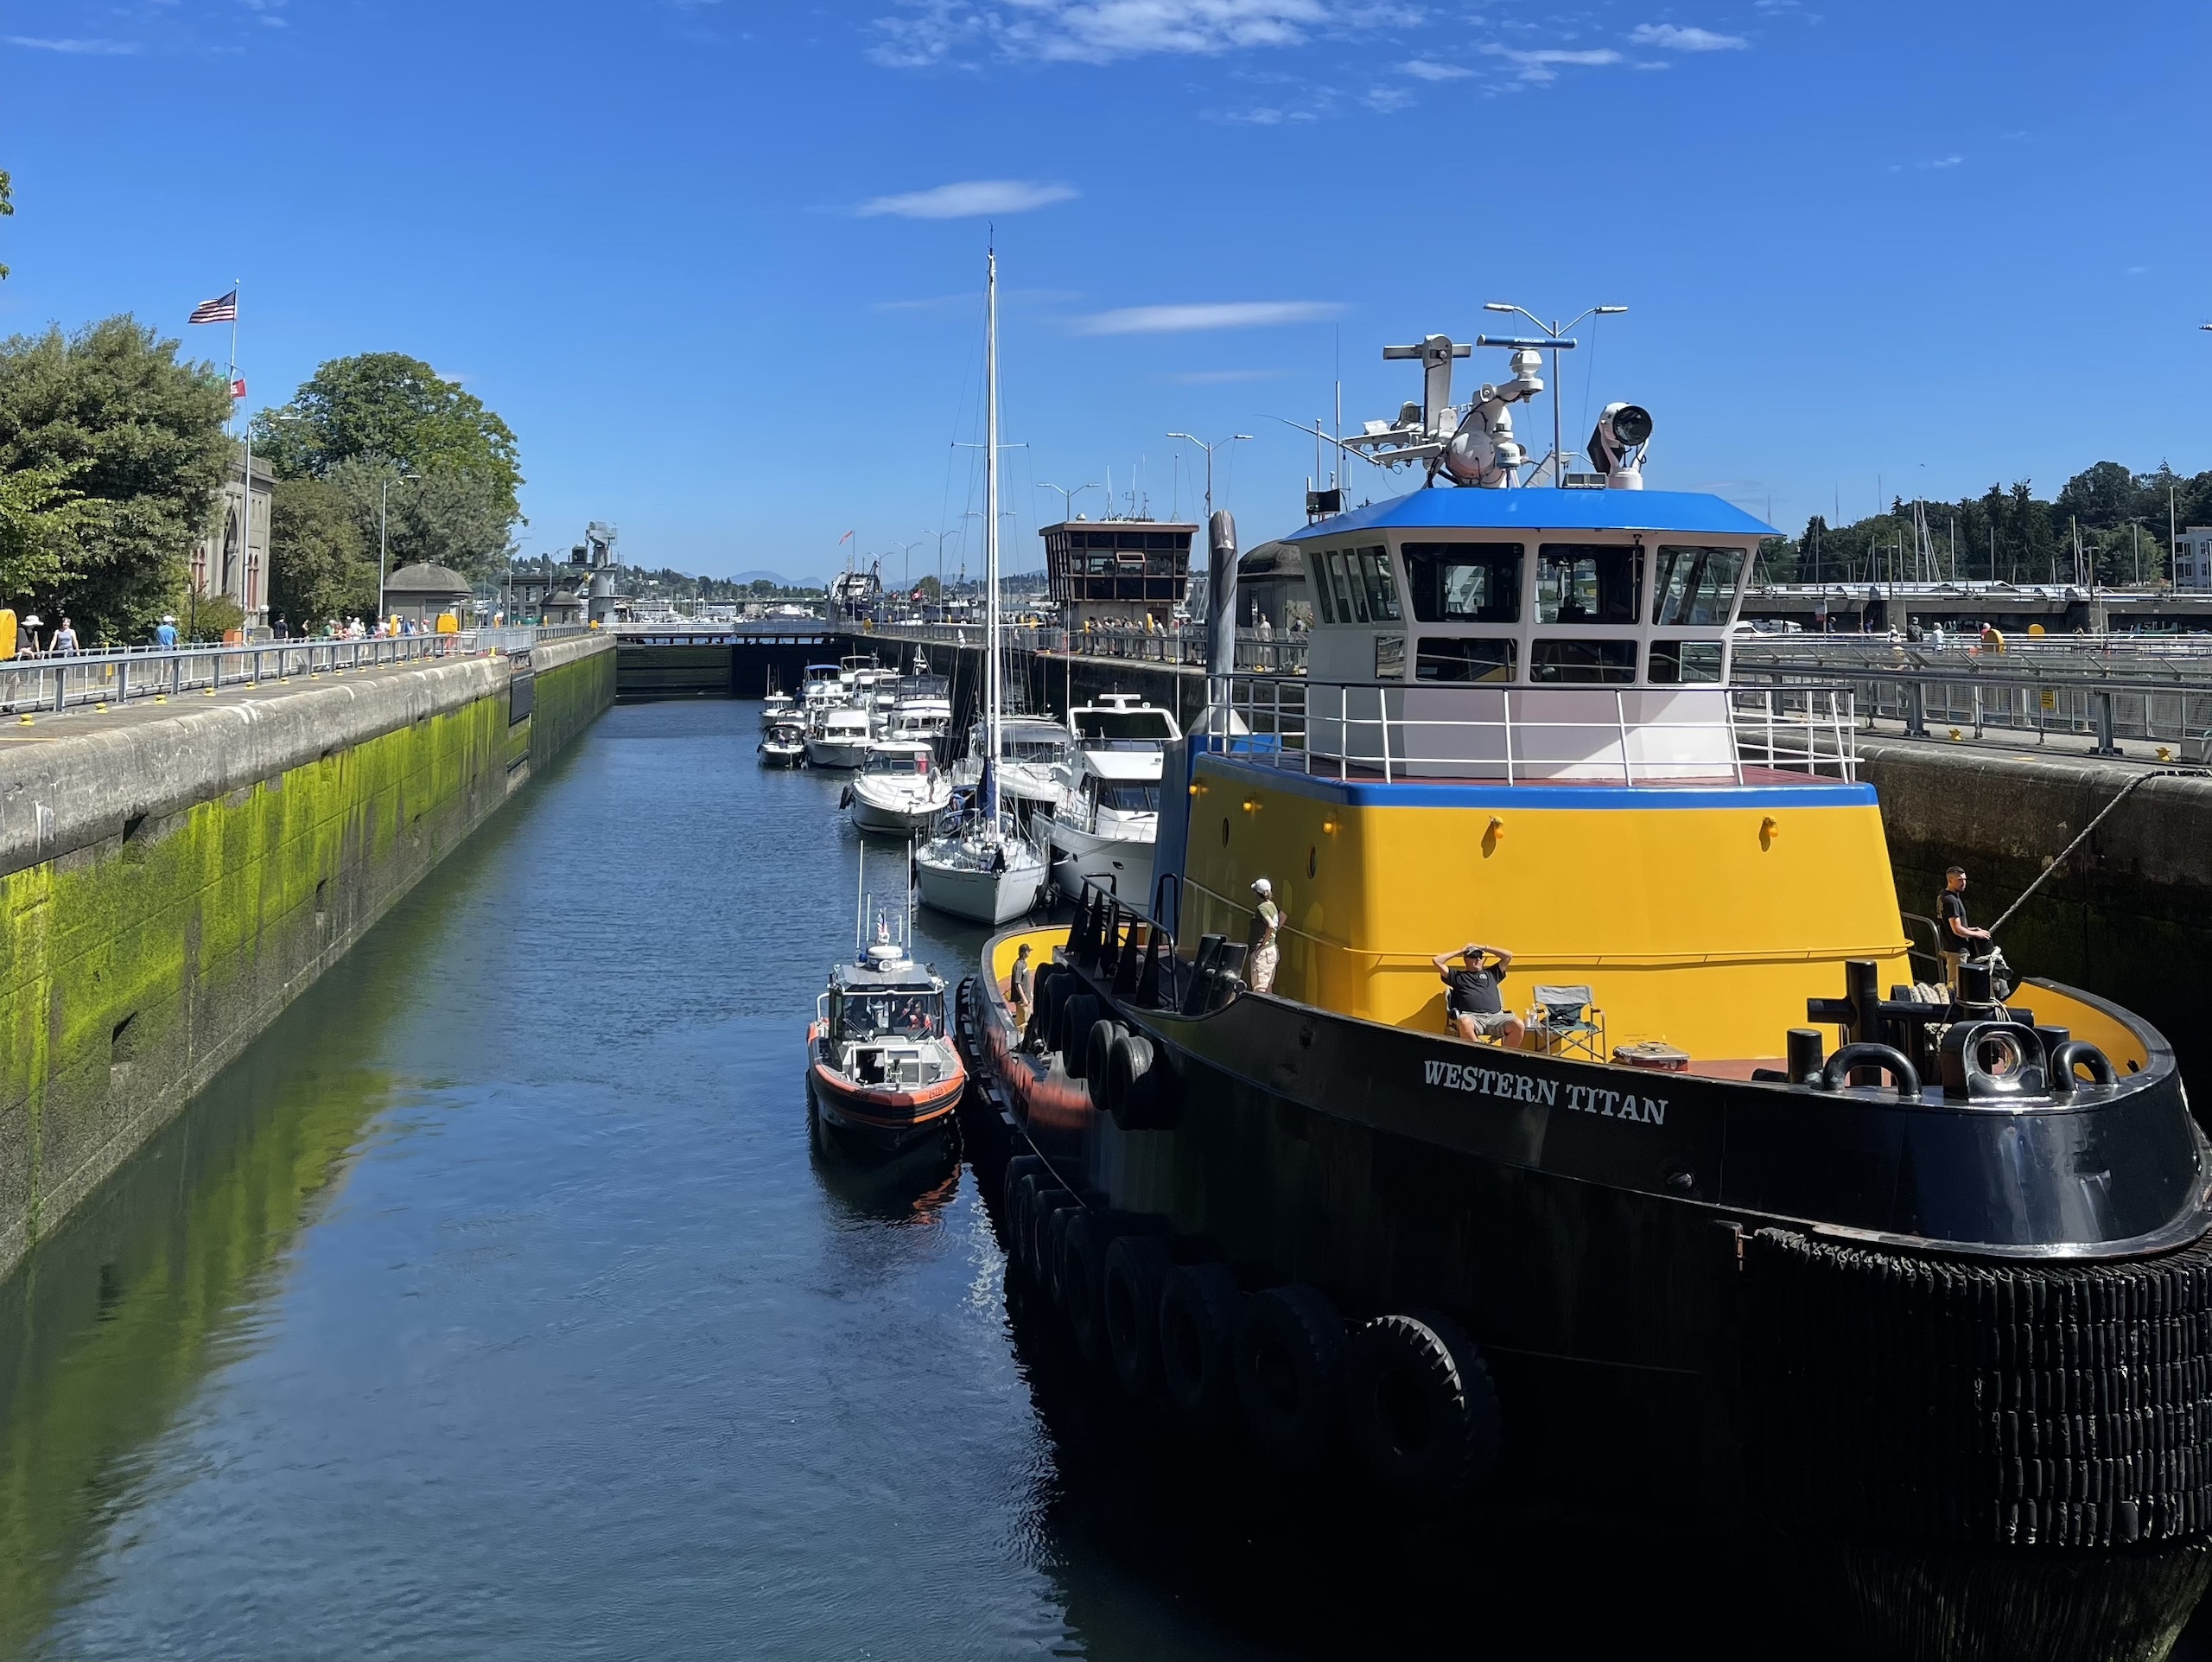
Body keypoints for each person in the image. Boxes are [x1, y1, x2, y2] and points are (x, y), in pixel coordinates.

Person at [1433, 942, 1524, 1047]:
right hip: (1473, 1017)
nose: (1478, 959)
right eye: (1474, 956)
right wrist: (1460, 951)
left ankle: (1504, 1059)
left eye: (1480, 956)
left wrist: (1485, 948)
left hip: (1496, 1016)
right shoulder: (1458, 976)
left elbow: (1508, 956)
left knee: (1518, 1025)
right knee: (1464, 1021)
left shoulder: (1492, 974)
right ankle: (1478, 1056)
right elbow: (1437, 960)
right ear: (1466, 959)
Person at [1937, 866, 1991, 990]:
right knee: (1955, 985)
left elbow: (1951, 924)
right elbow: (1957, 930)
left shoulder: (1943, 896)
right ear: (1950, 880)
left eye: (1965, 879)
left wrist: (1973, 929)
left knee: (1957, 983)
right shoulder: (1951, 901)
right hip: (1956, 949)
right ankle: (1951, 1007)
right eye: (1960, 880)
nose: (1964, 883)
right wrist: (1978, 935)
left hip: (1949, 946)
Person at [1246, 877, 1281, 993]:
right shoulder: (1271, 905)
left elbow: (1270, 925)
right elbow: (1281, 918)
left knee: (1259, 988)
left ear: (1257, 893)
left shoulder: (1261, 908)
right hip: (1271, 950)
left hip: (1263, 953)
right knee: (1267, 986)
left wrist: (1264, 942)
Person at [1008, 943, 1034, 1039]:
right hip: (1022, 1000)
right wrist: (1024, 999)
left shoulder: (1024, 964)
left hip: (1027, 997)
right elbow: (1017, 983)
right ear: (1024, 952)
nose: (1029, 953)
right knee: (1022, 1022)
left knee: (1027, 1020)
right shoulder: (1018, 966)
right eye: (1028, 951)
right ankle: (1020, 1039)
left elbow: (1026, 982)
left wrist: (1030, 994)